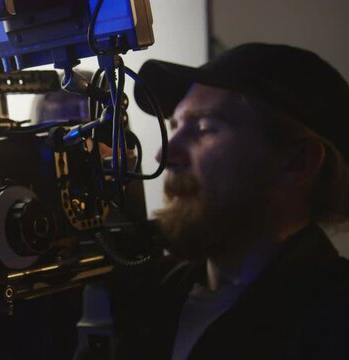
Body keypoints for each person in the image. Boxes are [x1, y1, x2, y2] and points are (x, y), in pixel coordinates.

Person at [110, 43, 349, 359]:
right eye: (175, 127)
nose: (165, 155)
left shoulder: (334, 322)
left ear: (298, 162)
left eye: (205, 128)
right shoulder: (150, 297)